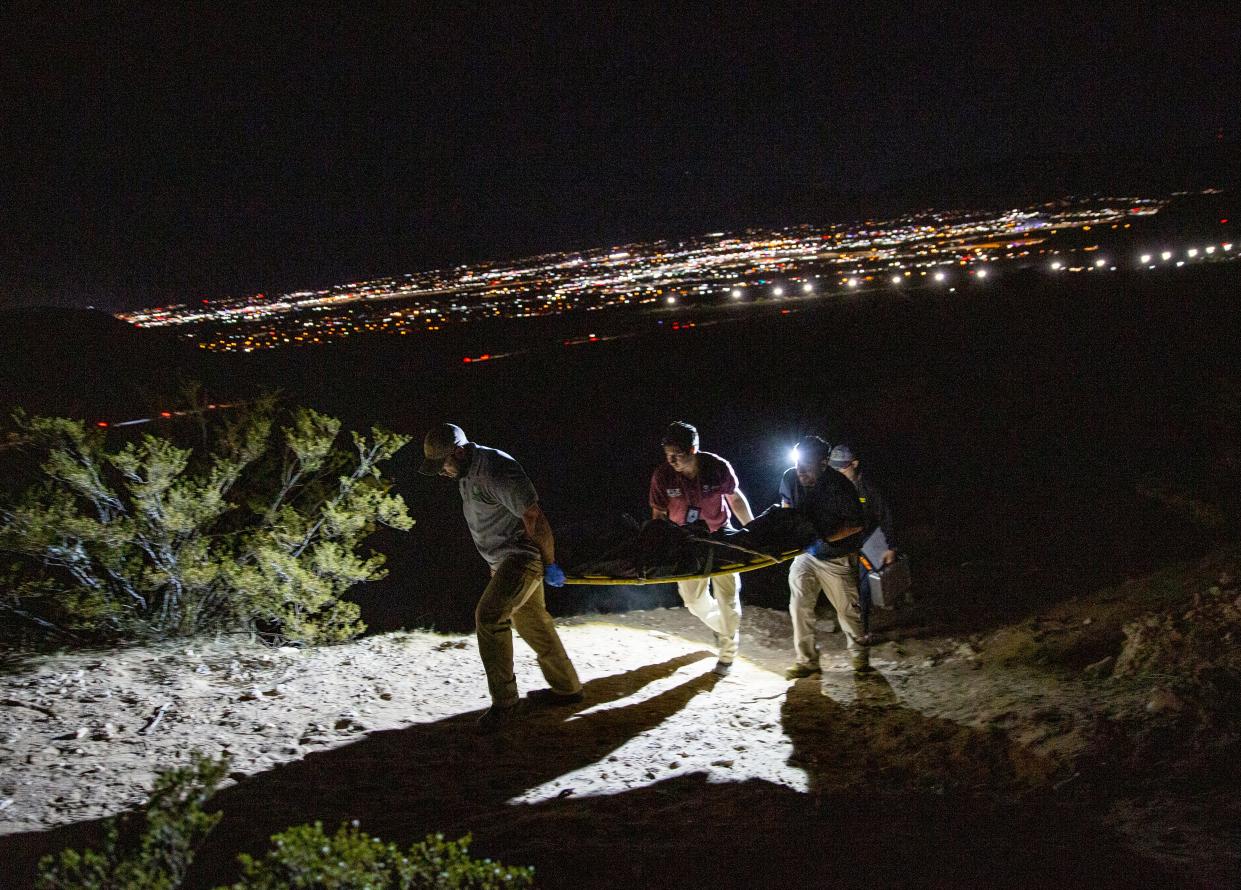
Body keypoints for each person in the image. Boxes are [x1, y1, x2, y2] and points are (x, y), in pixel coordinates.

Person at [419, 422, 582, 731]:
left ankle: (505, 705)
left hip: (522, 557)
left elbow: (535, 517)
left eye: (443, 464)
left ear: (459, 451)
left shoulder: (497, 469)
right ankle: (568, 688)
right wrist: (494, 566)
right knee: (532, 621)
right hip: (503, 561)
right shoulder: (465, 472)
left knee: (489, 616)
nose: (441, 472)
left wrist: (549, 564)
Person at [649, 421, 754, 676]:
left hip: (719, 535)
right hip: (685, 541)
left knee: (728, 599)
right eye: (667, 454)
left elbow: (735, 498)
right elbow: (658, 514)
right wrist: (660, 546)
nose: (672, 460)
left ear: (693, 450)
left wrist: (754, 531)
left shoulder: (716, 467)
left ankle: (727, 654)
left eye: (678, 454)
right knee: (693, 601)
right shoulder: (663, 475)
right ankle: (723, 628)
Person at [778, 435, 869, 678]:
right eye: (797, 462)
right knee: (799, 605)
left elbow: (857, 524)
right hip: (806, 554)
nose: (800, 469)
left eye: (806, 463)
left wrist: (826, 536)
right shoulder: (790, 478)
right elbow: (786, 509)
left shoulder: (840, 486)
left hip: (837, 557)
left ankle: (860, 660)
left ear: (823, 462)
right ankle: (807, 660)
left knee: (848, 611)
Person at [830, 443, 898, 637]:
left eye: (842, 467)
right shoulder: (831, 487)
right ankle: (849, 623)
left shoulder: (868, 488)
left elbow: (885, 516)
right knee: (844, 586)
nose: (837, 471)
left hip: (868, 544)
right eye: (833, 467)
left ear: (855, 464)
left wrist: (891, 546)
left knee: (863, 588)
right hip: (842, 545)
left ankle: (862, 629)